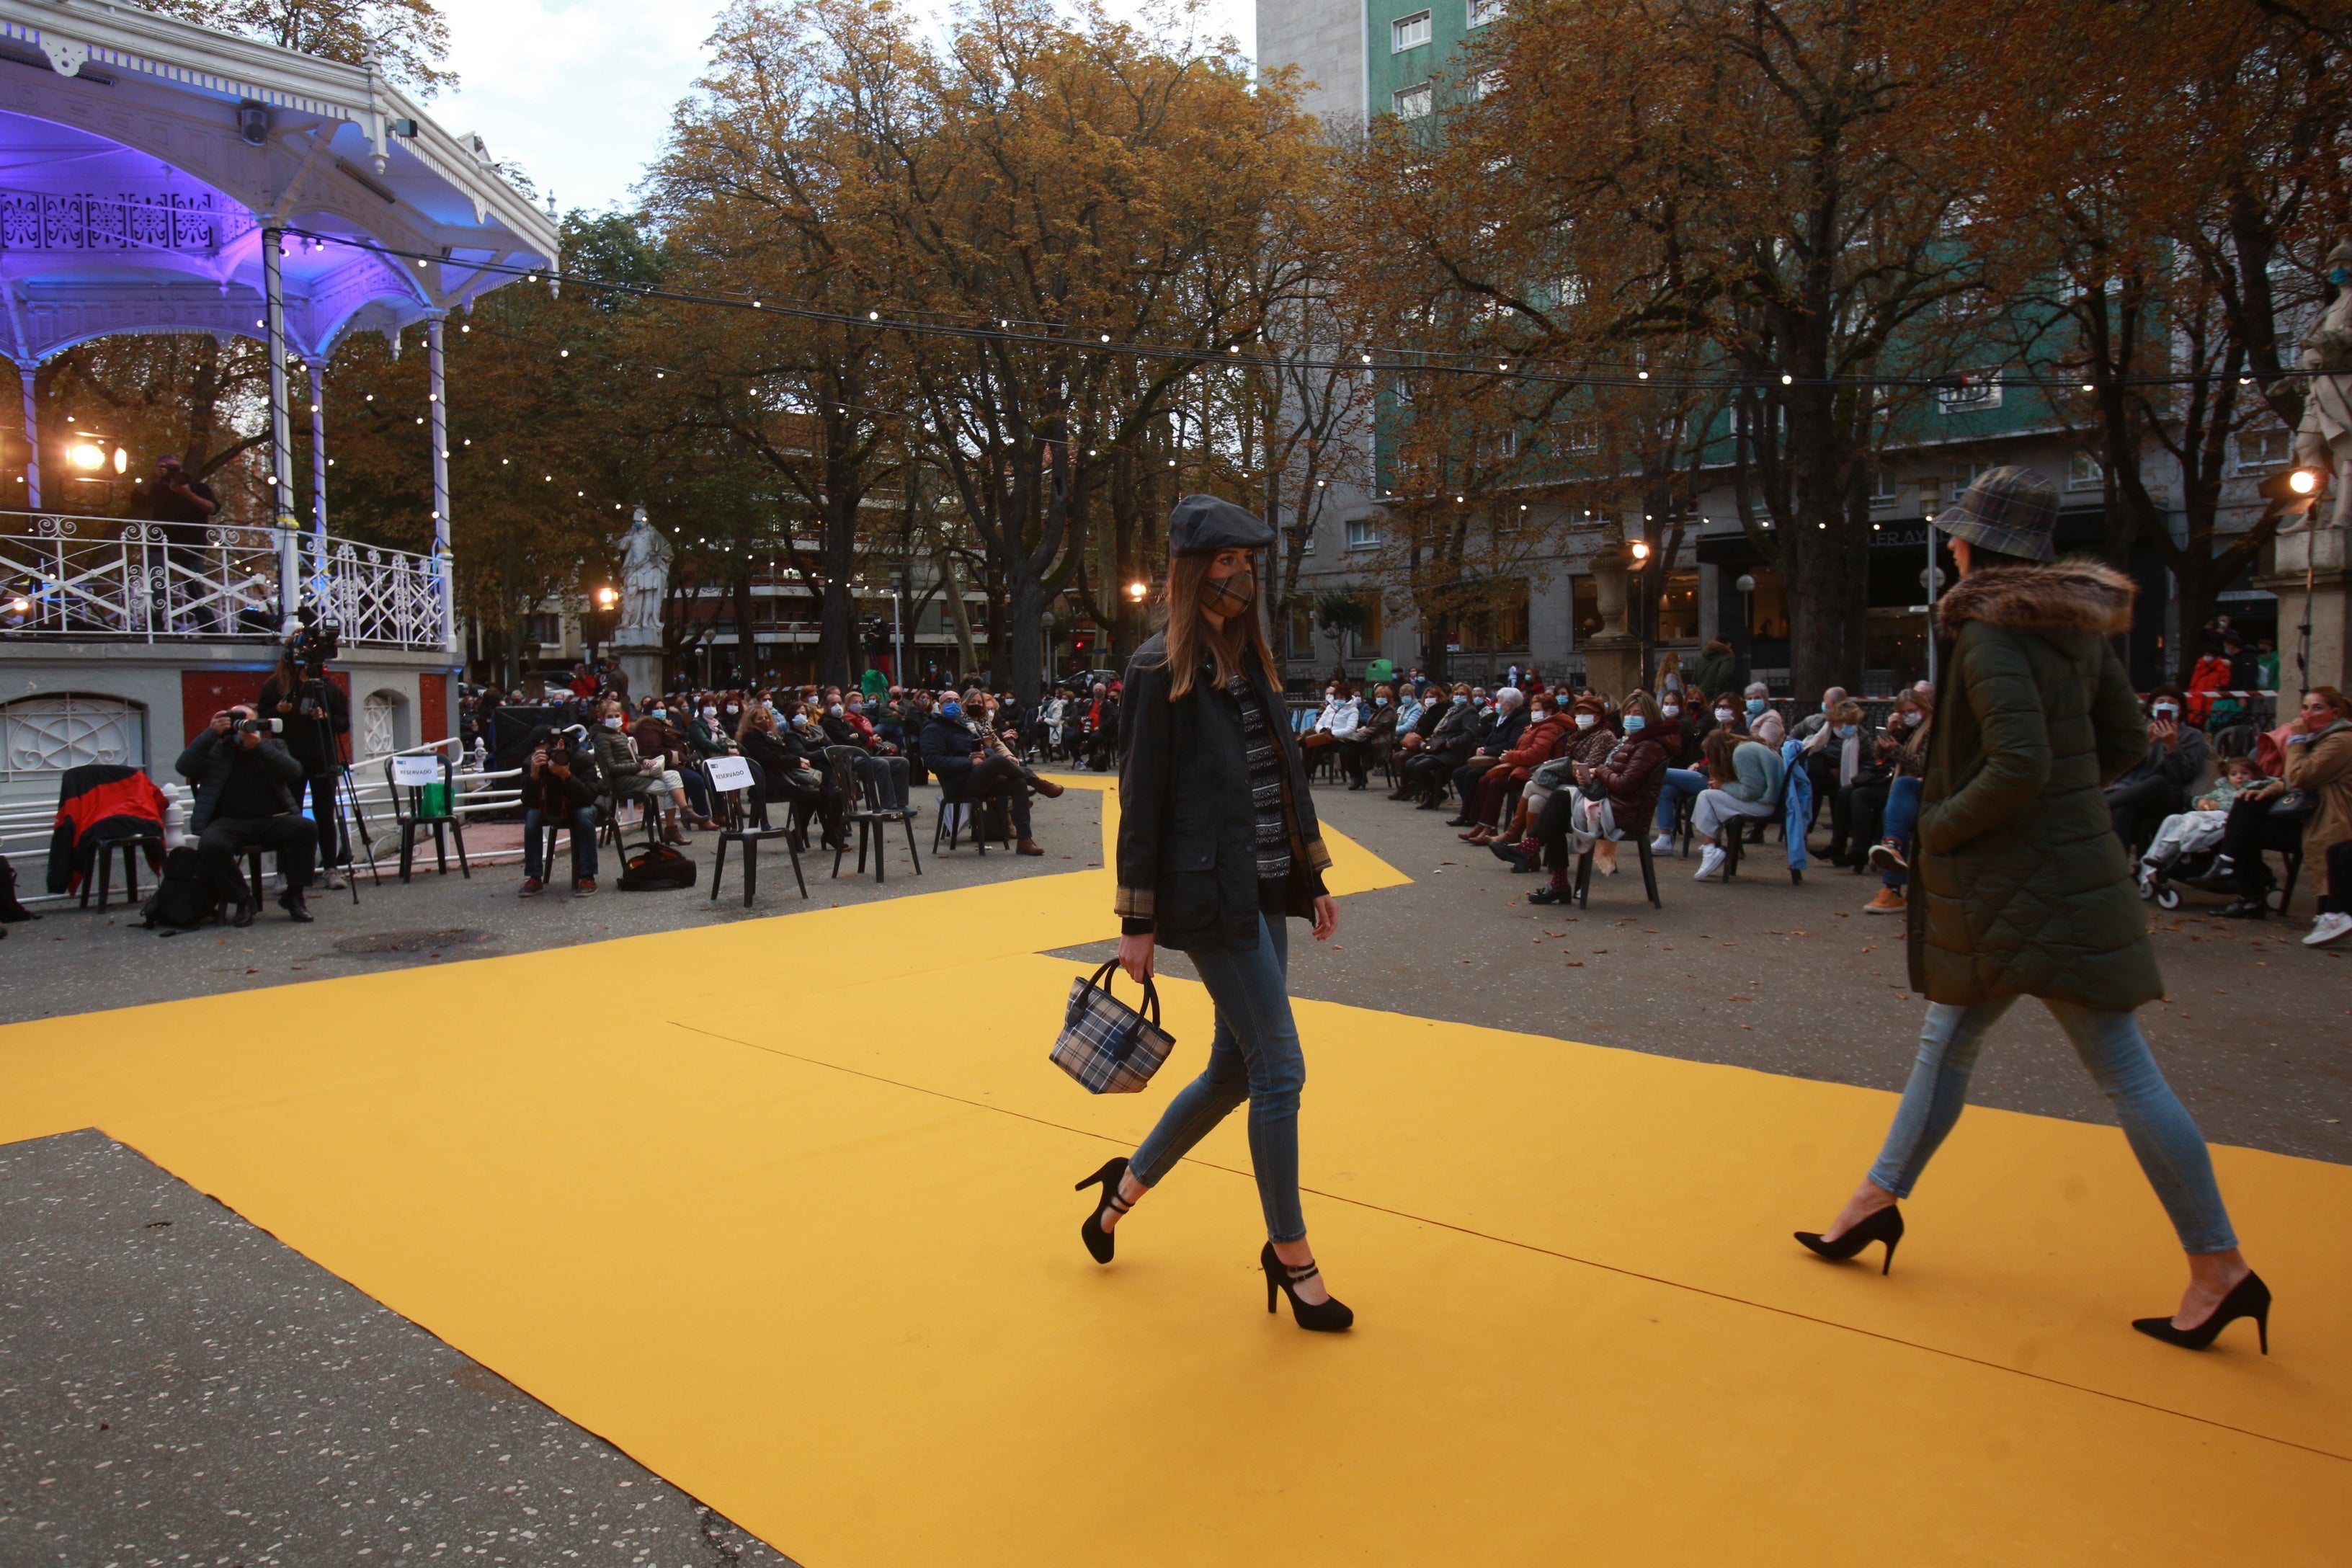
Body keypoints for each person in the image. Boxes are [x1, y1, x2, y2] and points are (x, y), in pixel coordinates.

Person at [1796, 464, 2266, 1354]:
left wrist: (1939, 824)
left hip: (2019, 880)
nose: (1950, 543)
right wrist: (2056, 811)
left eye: (1959, 531)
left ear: (1978, 544)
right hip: (2046, 876)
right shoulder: (2073, 628)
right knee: (1953, 1042)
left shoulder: (1989, 630)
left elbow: (2015, 764)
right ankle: (1872, 1201)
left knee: (2120, 1072)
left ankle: (2220, 1264)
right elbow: (2124, 742)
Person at [1080, 494, 1350, 1332]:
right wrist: (1137, 919)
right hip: (1208, 899)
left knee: (1235, 1072)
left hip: (1263, 885)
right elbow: (1141, 798)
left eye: (1250, 562)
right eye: (1227, 562)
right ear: (1194, 571)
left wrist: (1311, 877)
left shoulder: (1252, 658)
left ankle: (1119, 1193)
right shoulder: (1157, 667)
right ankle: (1292, 1253)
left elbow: (1282, 783)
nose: (1242, 575)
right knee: (1282, 1070)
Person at [2205, 686, 2352, 923]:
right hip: (2308, 815)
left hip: (2328, 821)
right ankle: (2239, 880)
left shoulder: (2342, 742)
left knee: (2247, 828)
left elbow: (2300, 776)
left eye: (2317, 708)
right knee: (2247, 805)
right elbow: (2288, 780)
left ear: (2334, 714)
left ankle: (2229, 867)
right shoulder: (2319, 738)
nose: (2307, 714)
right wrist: (2268, 790)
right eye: (2304, 708)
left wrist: (2296, 739)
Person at [176, 703, 317, 925]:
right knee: (211, 844)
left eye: (249, 722)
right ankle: (243, 899)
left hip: (270, 820)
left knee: (306, 828)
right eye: (238, 722)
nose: (243, 728)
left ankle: (295, 896)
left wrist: (259, 746)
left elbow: (294, 772)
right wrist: (211, 733)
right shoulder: (216, 748)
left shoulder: (274, 745)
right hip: (228, 822)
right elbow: (184, 767)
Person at [254, 643, 352, 886]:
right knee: (288, 817)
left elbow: (343, 723)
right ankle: (284, 873)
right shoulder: (276, 686)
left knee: (325, 814)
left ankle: (331, 867)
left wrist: (325, 717)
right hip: (289, 759)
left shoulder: (326, 688)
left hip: (321, 757)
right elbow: (260, 720)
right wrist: (277, 711)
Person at [919, 692, 1050, 855]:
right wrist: (969, 761)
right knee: (997, 761)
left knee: (1018, 783)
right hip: (958, 784)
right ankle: (1035, 780)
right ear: (939, 707)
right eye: (948, 701)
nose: (953, 704)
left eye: (956, 701)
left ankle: (1024, 840)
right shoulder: (933, 730)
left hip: (980, 779)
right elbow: (933, 762)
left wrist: (984, 755)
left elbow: (986, 748)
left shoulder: (967, 726)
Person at [2136, 754, 2269, 894]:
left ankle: (2163, 856)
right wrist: (2201, 802)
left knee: (2191, 823)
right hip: (2208, 815)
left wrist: (2218, 805)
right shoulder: (2224, 790)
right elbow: (2205, 799)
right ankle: (2155, 855)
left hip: (2226, 819)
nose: (2239, 777)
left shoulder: (2254, 789)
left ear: (2254, 774)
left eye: (2245, 773)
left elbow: (2241, 807)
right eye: (2234, 774)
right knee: (2173, 820)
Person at [2104, 685, 2209, 855]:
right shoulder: (2141, 731)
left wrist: (2172, 746)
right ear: (2152, 707)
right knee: (2123, 810)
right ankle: (2119, 871)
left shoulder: (2192, 736)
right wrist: (2143, 745)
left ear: (2180, 709)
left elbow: (2184, 775)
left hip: (2166, 794)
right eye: (2161, 702)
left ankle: (2103, 804)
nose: (2166, 705)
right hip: (2129, 790)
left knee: (2157, 781)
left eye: (2172, 702)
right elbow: (2121, 768)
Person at [1858, 690, 1935, 914]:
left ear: (1924, 708)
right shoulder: (1909, 730)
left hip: (1927, 788)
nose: (1908, 716)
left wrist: (1896, 750)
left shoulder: (1931, 730)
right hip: (1908, 790)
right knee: (1886, 810)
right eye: (1903, 712)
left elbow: (1921, 765)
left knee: (1899, 795)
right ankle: (1891, 861)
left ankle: (1892, 866)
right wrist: (1891, 734)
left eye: (1912, 711)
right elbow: (1876, 756)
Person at [135, 453, 220, 631]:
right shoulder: (157, 489)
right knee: (156, 586)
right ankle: (155, 627)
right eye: (167, 468)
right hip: (160, 544)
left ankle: (209, 628)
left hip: (192, 544)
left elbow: (212, 508)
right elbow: (136, 500)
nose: (172, 472)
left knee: (196, 588)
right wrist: (152, 477)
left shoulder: (198, 487)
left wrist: (187, 493)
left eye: (176, 468)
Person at [1688, 724, 1782, 880]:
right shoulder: (1746, 747)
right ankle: (1712, 847)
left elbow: (1751, 791)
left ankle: (1711, 849)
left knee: (1706, 796)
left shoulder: (1742, 753)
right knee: (1710, 797)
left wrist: (1723, 786)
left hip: (1767, 805)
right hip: (1773, 802)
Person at [594, 698, 693, 845]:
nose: (614, 719)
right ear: (602, 719)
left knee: (673, 775)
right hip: (623, 781)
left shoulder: (620, 735)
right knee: (670, 789)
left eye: (617, 716)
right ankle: (673, 829)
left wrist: (644, 760)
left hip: (635, 774)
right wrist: (638, 766)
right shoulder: (602, 738)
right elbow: (612, 768)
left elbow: (632, 756)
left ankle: (685, 812)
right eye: (610, 717)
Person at [519, 723, 600, 896]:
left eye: (550, 750)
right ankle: (534, 877)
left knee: (584, 815)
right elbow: (527, 802)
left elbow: (588, 797)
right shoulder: (531, 762)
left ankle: (587, 876)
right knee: (532, 817)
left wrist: (566, 775)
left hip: (582, 805)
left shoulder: (580, 757)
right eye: (542, 752)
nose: (548, 756)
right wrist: (534, 776)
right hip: (552, 807)